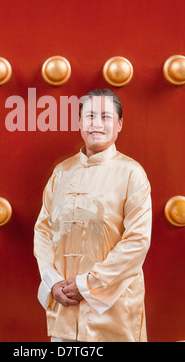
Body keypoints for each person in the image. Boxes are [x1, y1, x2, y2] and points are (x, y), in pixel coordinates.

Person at [33, 88, 152, 342]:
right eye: (89, 116)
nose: (97, 124)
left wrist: (88, 284)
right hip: (64, 310)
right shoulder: (61, 172)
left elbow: (137, 242)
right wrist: (53, 282)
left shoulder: (132, 174)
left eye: (106, 117)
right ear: (79, 122)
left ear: (119, 124)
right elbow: (43, 231)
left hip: (113, 314)